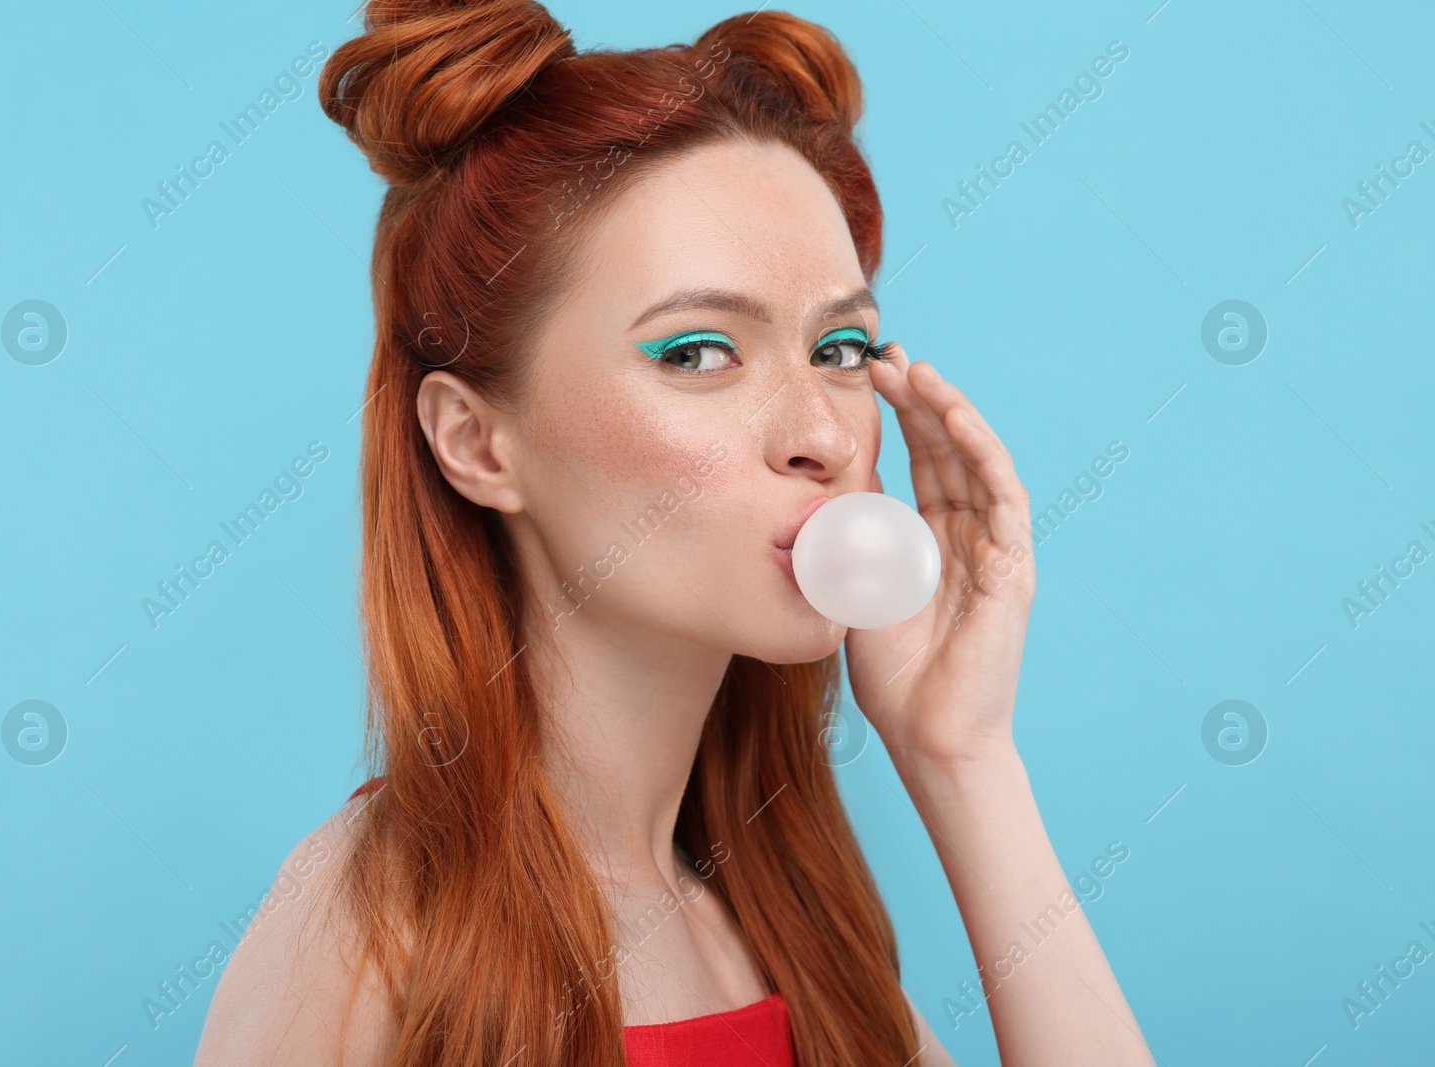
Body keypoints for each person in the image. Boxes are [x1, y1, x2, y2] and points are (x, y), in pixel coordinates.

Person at [194, 2, 1153, 1064]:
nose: (822, 433)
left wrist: (962, 758)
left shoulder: (792, 927)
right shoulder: (371, 926)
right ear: (476, 443)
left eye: (839, 345)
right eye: (696, 352)